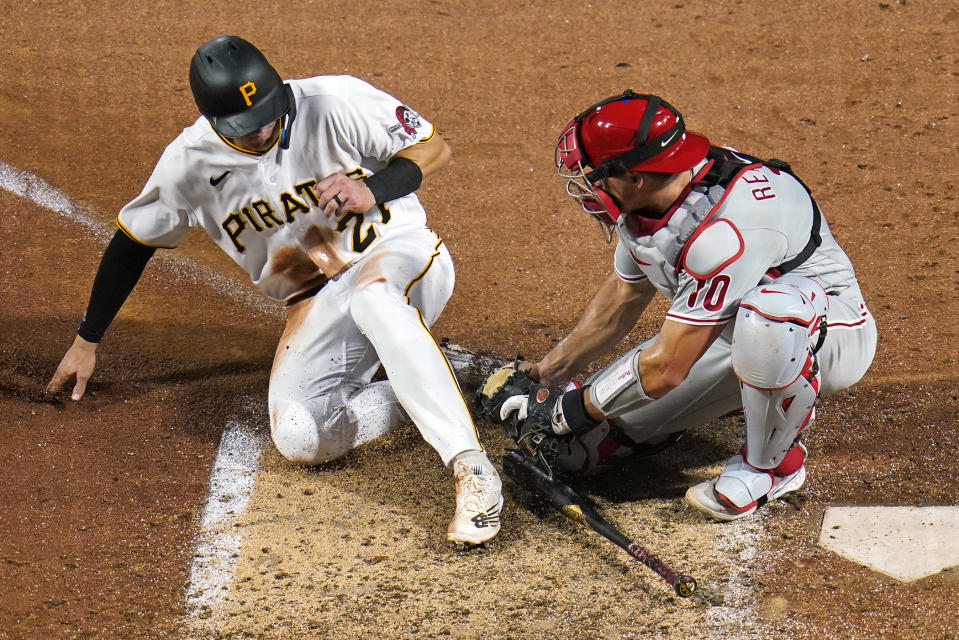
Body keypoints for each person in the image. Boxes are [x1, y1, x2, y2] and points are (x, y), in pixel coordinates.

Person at [46, 35, 503, 545]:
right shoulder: (188, 164)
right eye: (246, 126)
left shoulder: (334, 100)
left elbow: (432, 147)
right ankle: (461, 374)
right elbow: (132, 244)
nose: (263, 129)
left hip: (398, 256)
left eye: (268, 114)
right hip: (316, 302)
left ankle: (473, 469)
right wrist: (87, 340)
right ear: (215, 122)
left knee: (373, 297)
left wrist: (373, 188)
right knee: (300, 436)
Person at [479, 90, 876, 521]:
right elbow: (624, 294)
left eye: (598, 174)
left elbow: (667, 367)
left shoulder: (724, 228)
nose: (590, 185)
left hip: (826, 331)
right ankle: (677, 422)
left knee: (769, 314)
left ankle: (773, 468)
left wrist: (567, 409)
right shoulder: (657, 196)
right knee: (572, 453)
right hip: (724, 334)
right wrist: (549, 374)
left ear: (634, 177)